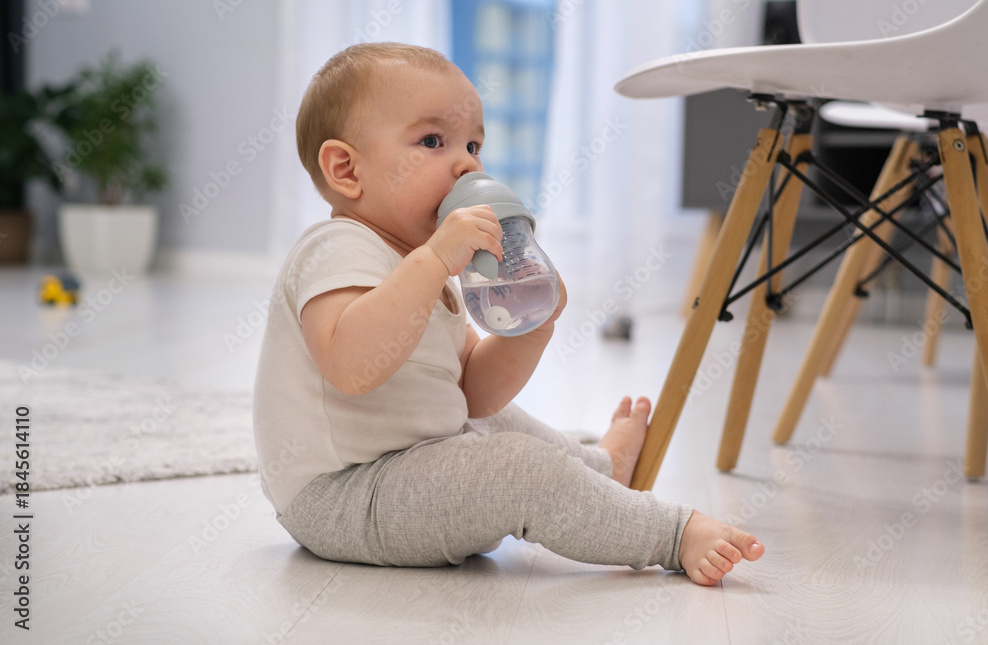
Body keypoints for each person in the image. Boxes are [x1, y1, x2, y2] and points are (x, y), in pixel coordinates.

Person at [253, 42, 764, 586]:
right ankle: (668, 534)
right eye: (433, 141)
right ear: (346, 169)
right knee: (518, 468)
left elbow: (473, 393)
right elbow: (352, 367)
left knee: (494, 421)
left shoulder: (430, 273)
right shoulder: (335, 248)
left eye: (473, 145)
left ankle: (602, 471)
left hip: (411, 466)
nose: (468, 164)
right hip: (343, 496)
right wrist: (433, 261)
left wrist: (531, 327)